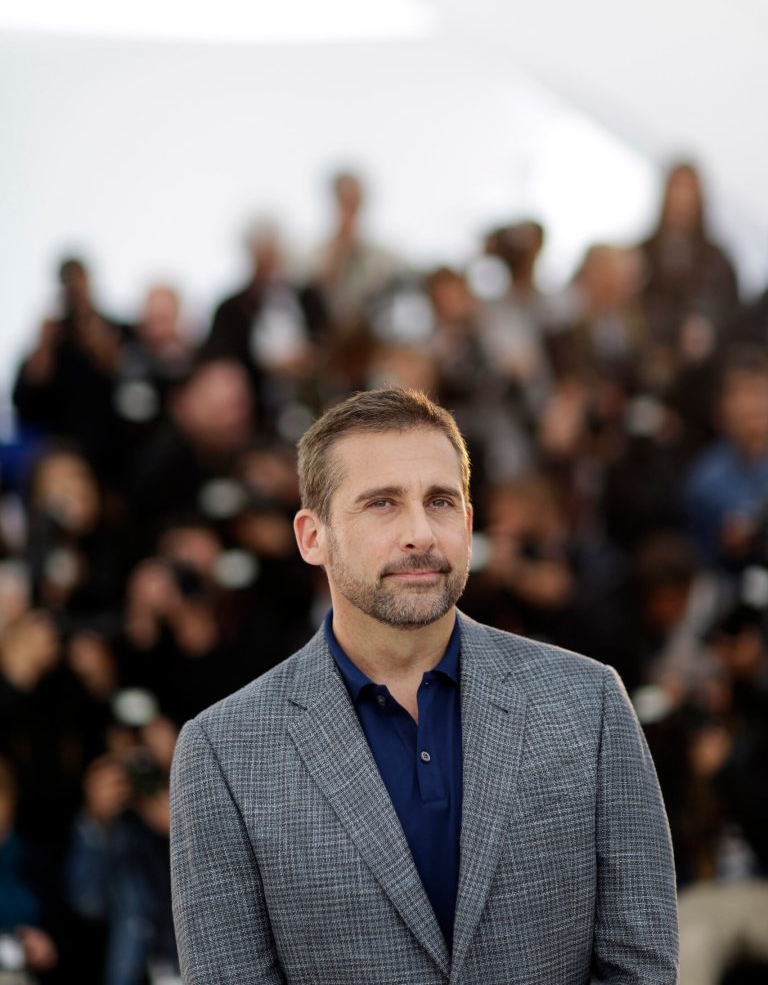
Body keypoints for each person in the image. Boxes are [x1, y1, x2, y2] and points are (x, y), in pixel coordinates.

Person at [170, 387, 678, 984]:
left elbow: (640, 966)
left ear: (467, 522)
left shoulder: (588, 702)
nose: (419, 533)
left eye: (440, 501)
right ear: (313, 537)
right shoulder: (223, 752)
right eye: (382, 504)